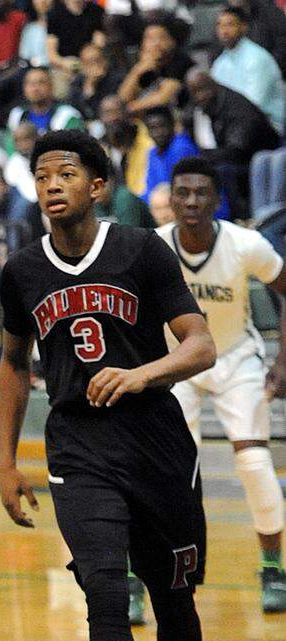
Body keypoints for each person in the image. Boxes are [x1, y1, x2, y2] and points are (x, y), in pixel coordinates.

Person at [0, 129, 215, 641]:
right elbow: (12, 364)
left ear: (97, 187)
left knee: (175, 601)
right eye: (42, 177)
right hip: (78, 443)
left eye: (66, 175)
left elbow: (201, 345)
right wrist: (6, 463)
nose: (52, 186)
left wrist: (141, 374)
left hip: (154, 437)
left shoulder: (141, 250)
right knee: (106, 594)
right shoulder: (22, 271)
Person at [156, 156, 286, 614]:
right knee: (167, 472)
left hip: (234, 357)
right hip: (175, 363)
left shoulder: (246, 244)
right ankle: (150, 572)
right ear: (171, 200)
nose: (191, 201)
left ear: (218, 200)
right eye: (183, 193)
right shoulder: (152, 247)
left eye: (201, 193)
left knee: (253, 462)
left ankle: (273, 567)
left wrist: (283, 361)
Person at [185, 68, 279, 220]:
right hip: (236, 159)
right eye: (194, 92)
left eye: (203, 89)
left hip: (259, 161)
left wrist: (202, 157)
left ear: (214, 85)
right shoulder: (204, 108)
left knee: (220, 170)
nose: (200, 96)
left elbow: (236, 151)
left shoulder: (237, 108)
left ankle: (239, 219)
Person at [211, 6, 285, 133]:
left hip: (269, 127)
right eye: (220, 25)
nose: (224, 31)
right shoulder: (220, 63)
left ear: (244, 27)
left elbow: (253, 107)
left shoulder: (257, 58)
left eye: (230, 25)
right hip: (236, 126)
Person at [118, 15, 194, 114]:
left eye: (162, 38)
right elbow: (122, 99)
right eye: (149, 38)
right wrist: (138, 70)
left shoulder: (182, 63)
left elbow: (163, 99)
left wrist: (128, 109)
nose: (156, 44)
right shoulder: (144, 65)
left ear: (173, 41)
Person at [98, 95, 153, 197]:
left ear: (127, 114)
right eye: (107, 113)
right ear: (100, 118)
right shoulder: (101, 149)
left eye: (117, 112)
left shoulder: (147, 143)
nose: (113, 118)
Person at [7, 66, 85, 135]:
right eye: (30, 83)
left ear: (51, 86)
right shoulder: (17, 114)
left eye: (41, 83)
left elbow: (73, 144)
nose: (35, 88)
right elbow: (10, 145)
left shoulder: (67, 114)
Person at [142, 106, 196, 201]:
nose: (158, 133)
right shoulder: (153, 154)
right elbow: (150, 189)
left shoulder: (181, 147)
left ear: (172, 125)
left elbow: (178, 190)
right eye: (152, 128)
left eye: (162, 126)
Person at [66, 43, 124, 121]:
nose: (94, 65)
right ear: (82, 66)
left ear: (105, 61)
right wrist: (89, 86)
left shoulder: (116, 78)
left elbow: (116, 105)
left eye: (97, 60)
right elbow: (74, 108)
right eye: (88, 63)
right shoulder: (77, 83)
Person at [4, 121, 38, 203]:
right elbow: (32, 196)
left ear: (36, 138)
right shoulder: (14, 163)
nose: (22, 145)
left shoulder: (49, 157)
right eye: (17, 141)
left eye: (26, 139)